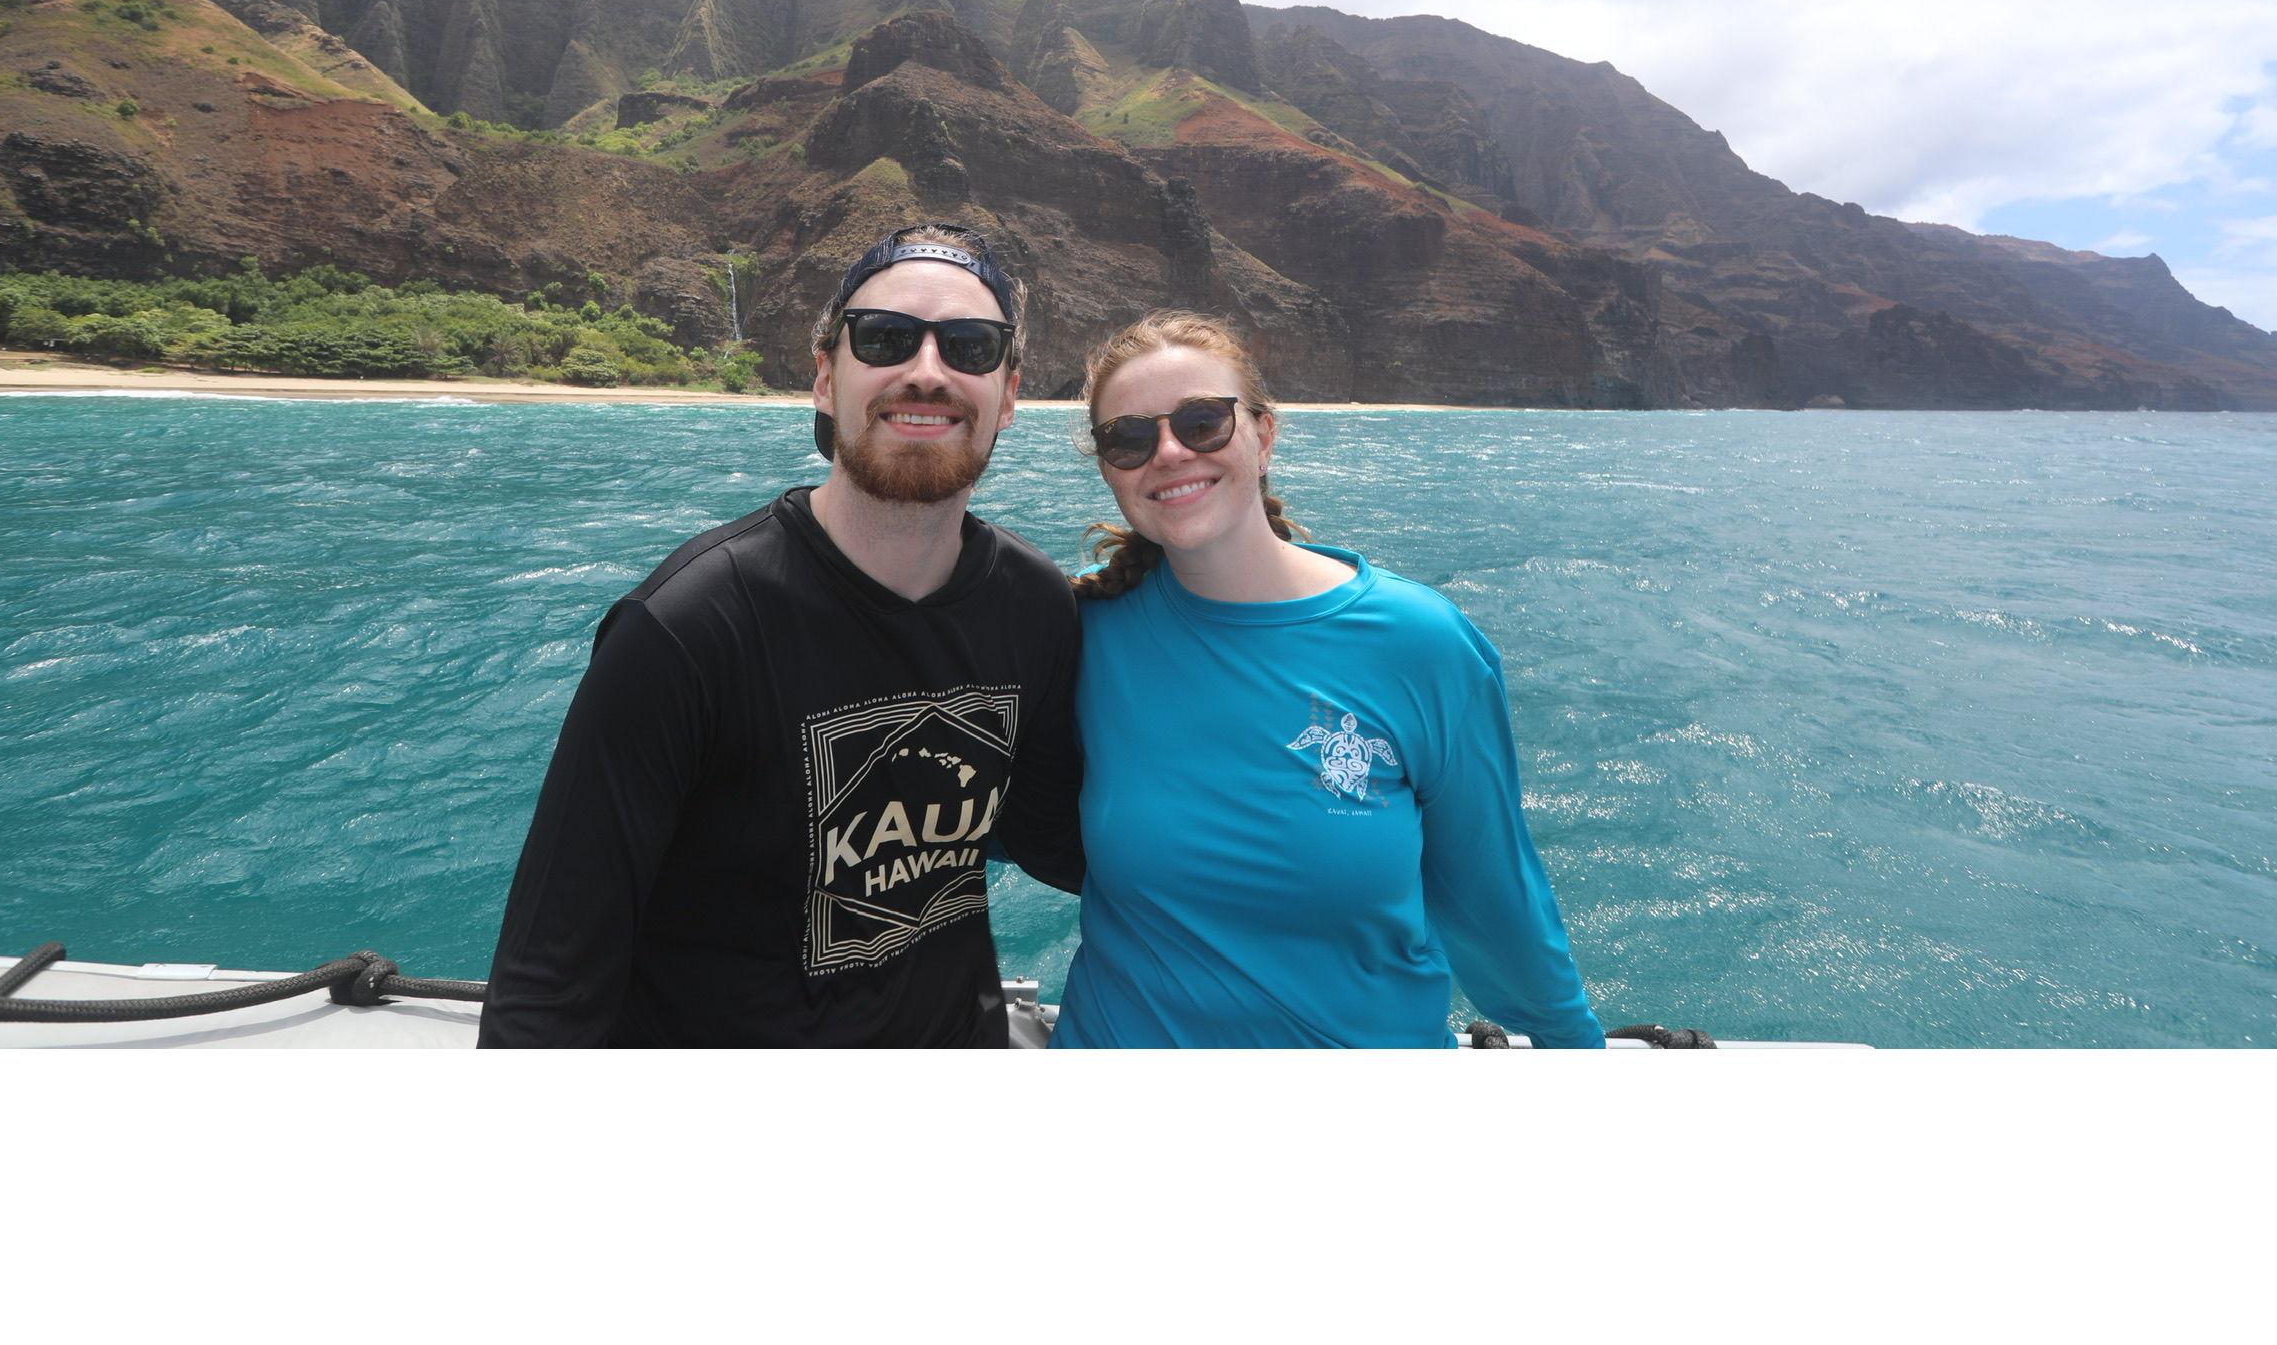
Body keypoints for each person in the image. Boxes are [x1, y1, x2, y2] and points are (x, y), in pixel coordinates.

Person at [479, 222, 1083, 1047]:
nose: (926, 371)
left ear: (1008, 395)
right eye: (885, 338)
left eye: (970, 346)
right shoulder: (687, 627)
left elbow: (1066, 839)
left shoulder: (1035, 606)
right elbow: (550, 973)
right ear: (826, 378)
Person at [1051, 310, 1605, 1049]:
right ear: (1107, 465)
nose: (1170, 451)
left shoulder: (1420, 644)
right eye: (1129, 436)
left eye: (1203, 421)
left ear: (1263, 433)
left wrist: (1575, 1048)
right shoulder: (1078, 625)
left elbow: (1495, 902)